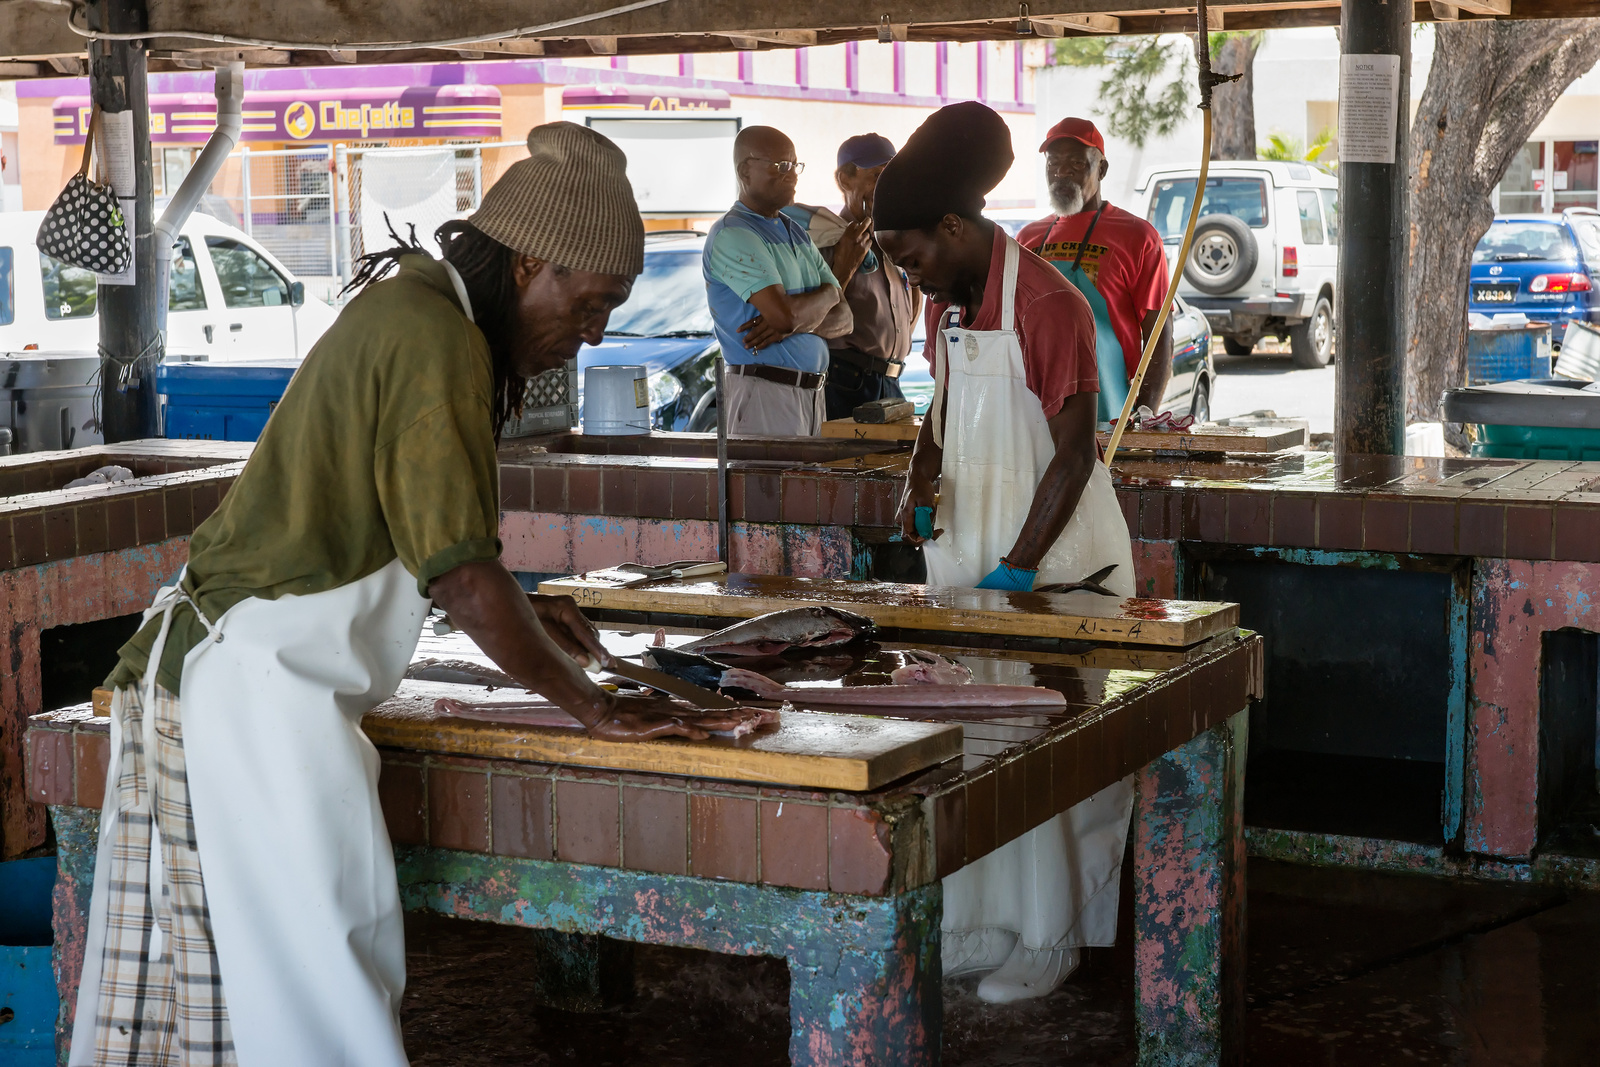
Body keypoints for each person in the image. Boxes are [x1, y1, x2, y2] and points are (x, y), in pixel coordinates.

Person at [71, 123, 759, 1067]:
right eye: (592, 301)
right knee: (322, 991)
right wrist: (594, 706)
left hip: (255, 680)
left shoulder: (422, 312)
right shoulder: (437, 340)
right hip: (256, 694)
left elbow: (402, 541)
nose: (593, 331)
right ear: (530, 266)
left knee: (274, 989)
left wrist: (519, 605)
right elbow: (460, 575)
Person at [873, 101, 1137, 1004]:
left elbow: (1073, 454)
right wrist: (916, 485)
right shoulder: (950, 307)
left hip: (1055, 562)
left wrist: (1021, 570)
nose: (913, 274)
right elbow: (939, 418)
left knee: (1041, 755)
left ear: (954, 226)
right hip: (970, 555)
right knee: (968, 748)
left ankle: (1051, 932)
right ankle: (982, 919)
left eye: (914, 256)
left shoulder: (1049, 302)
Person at [1017, 117, 1172, 423]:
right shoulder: (1027, 239)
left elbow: (1159, 332)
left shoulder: (1138, 236)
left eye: (1076, 163)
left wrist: (1144, 411)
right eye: (1053, 163)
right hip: (1033, 404)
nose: (1061, 172)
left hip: (1109, 406)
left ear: (1101, 169)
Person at [703, 125, 845, 436]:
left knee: (808, 485)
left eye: (795, 165)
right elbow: (783, 315)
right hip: (763, 392)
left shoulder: (794, 230)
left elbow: (844, 318)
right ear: (745, 170)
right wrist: (821, 300)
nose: (792, 174)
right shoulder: (735, 233)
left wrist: (795, 322)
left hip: (812, 394)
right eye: (780, 165)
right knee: (769, 485)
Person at [783, 133, 921, 420]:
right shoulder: (827, 241)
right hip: (846, 383)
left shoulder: (892, 242)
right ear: (845, 179)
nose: (886, 187)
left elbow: (910, 313)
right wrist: (845, 265)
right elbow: (812, 318)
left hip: (891, 382)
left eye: (891, 177)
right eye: (876, 176)